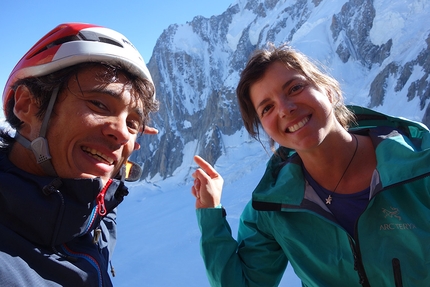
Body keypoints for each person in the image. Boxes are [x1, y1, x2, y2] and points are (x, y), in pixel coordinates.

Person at [191, 43, 430, 286]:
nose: (285, 109)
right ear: (264, 129)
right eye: (267, 108)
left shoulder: (419, 164)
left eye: (295, 88)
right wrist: (210, 214)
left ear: (326, 89)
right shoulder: (273, 208)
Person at [0, 23, 159, 286]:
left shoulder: (83, 218)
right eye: (99, 104)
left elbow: (100, 207)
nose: (122, 133)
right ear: (26, 104)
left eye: (133, 123)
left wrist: (110, 156)